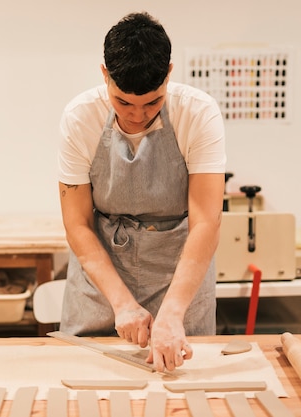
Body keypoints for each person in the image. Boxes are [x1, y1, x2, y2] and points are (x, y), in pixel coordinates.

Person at [57, 11, 226, 372]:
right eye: (123, 103)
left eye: (152, 102)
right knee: (86, 379)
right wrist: (121, 303)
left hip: (178, 272)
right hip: (102, 277)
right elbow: (77, 224)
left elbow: (206, 222)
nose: (137, 115)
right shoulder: (80, 118)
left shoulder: (199, 113)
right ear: (105, 75)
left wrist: (173, 311)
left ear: (168, 74)